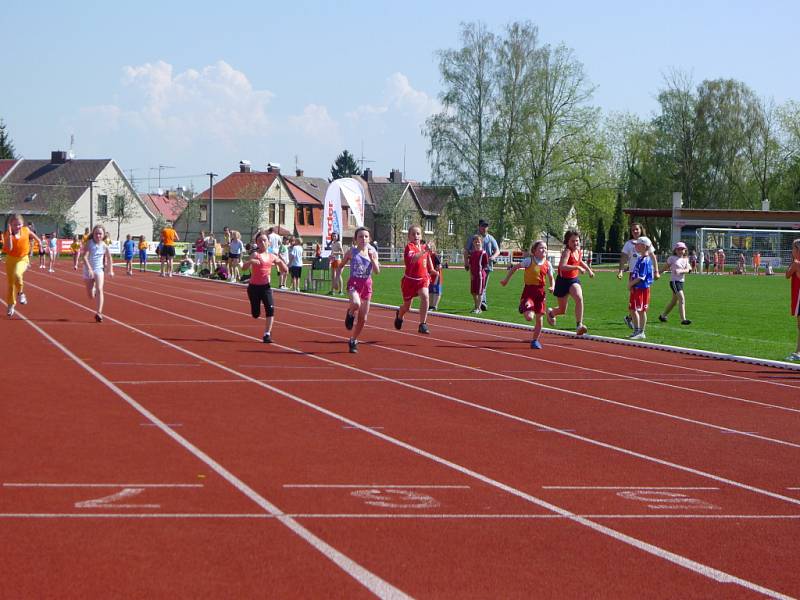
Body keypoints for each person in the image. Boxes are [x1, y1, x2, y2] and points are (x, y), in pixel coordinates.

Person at [500, 240, 555, 349]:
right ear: (534, 251)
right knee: (529, 317)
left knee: (539, 319)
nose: (544, 250)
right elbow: (515, 268)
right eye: (541, 248)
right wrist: (506, 280)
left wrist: (552, 286)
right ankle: (523, 305)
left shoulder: (548, 264)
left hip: (540, 293)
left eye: (545, 248)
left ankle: (535, 341)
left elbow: (551, 278)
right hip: (529, 291)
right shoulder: (529, 261)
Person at [547, 229, 594, 336]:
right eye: (573, 241)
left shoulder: (578, 250)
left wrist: (589, 270)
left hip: (573, 280)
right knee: (562, 310)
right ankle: (551, 312)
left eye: (577, 241)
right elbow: (562, 266)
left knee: (579, 297)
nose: (575, 243)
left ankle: (579, 325)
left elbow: (580, 261)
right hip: (563, 282)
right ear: (567, 242)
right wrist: (577, 267)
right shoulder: (566, 252)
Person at [341, 226, 381, 353]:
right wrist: (337, 277)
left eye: (366, 236)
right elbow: (341, 265)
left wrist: (373, 260)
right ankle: (351, 313)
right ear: (355, 239)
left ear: (369, 239)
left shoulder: (373, 252)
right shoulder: (351, 252)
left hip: (366, 285)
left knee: (363, 319)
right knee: (356, 303)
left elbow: (377, 271)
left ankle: (353, 340)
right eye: (360, 236)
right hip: (354, 283)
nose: (363, 239)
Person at [247, 231, 288, 344]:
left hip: (266, 287)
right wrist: (250, 261)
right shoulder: (255, 255)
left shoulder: (272, 256)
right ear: (257, 243)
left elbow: (284, 268)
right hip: (254, 288)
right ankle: (254, 308)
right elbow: (244, 268)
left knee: (270, 310)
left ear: (269, 243)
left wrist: (282, 265)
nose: (263, 242)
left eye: (264, 240)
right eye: (260, 241)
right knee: (256, 314)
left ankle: (267, 334)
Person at [617, 222, 660, 330]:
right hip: (633, 274)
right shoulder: (628, 244)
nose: (635, 231)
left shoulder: (645, 242)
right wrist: (621, 271)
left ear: (641, 230)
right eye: (633, 230)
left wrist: (656, 271)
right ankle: (635, 325)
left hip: (642, 275)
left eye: (637, 229)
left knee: (639, 302)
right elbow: (624, 258)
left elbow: (653, 256)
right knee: (635, 301)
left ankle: (637, 327)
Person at [395, 226, 434, 334]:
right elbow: (414, 258)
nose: (416, 236)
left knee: (425, 296)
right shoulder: (409, 247)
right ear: (409, 236)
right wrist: (424, 250)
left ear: (421, 235)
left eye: (418, 234)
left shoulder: (424, 247)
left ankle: (423, 324)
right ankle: (400, 314)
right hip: (410, 281)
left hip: (422, 279)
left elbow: (428, 257)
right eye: (413, 234)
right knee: (407, 307)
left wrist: (432, 269)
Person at [3, 214, 43, 317]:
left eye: (19, 224)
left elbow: (36, 238)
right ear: (10, 225)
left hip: (23, 258)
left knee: (17, 273)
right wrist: (10, 234)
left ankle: (21, 293)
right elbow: (10, 248)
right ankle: (11, 305)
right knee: (11, 285)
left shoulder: (26, 230)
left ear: (22, 224)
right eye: (15, 225)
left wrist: (40, 245)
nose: (17, 227)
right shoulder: (7, 234)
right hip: (11, 259)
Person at [463, 219, 500, 311]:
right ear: (479, 226)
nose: (484, 228)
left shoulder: (490, 238)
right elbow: (466, 250)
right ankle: (480, 303)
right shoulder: (473, 238)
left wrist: (493, 257)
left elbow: (497, 250)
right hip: (475, 266)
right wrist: (466, 263)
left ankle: (482, 303)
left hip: (486, 266)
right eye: (483, 226)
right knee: (475, 285)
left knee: (483, 285)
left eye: (486, 226)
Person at [80, 225, 114, 322]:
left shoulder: (104, 245)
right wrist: (90, 269)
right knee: (90, 295)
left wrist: (110, 270)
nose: (98, 235)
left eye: (100, 234)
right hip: (88, 270)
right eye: (96, 233)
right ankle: (92, 288)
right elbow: (85, 257)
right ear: (93, 234)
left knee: (100, 289)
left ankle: (99, 313)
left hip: (99, 269)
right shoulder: (89, 244)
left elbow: (109, 257)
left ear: (103, 235)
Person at [658, 241, 692, 325]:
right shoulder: (672, 258)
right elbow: (665, 268)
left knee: (674, 302)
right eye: (679, 249)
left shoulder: (686, 259)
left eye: (682, 249)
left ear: (685, 250)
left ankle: (662, 316)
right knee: (682, 299)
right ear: (675, 250)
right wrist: (657, 273)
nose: (681, 250)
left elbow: (689, 270)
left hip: (681, 282)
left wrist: (681, 270)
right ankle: (683, 319)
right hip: (674, 282)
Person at [627, 236, 654, 340]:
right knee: (633, 309)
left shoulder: (645, 260)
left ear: (644, 246)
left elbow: (641, 277)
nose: (636, 246)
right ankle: (636, 330)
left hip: (642, 288)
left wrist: (630, 284)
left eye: (638, 244)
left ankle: (641, 331)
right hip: (636, 288)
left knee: (641, 310)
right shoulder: (640, 258)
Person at [786, 239, 800, 361]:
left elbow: (787, 274)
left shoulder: (796, 263)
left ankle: (798, 351)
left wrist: (792, 260)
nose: (792, 251)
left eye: (793, 249)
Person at [467, 235, 489, 314]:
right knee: (473, 292)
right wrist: (471, 274)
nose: (477, 243)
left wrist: (482, 274)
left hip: (480, 276)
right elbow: (470, 265)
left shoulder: (483, 253)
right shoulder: (473, 254)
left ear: (481, 243)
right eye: (475, 242)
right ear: (473, 243)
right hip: (473, 275)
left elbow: (485, 265)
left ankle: (479, 308)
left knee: (479, 292)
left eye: (478, 242)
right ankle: (476, 306)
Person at [428, 246, 443, 311]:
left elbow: (439, 266)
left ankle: (435, 305)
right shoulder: (427, 256)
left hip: (436, 276)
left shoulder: (435, 256)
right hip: (429, 276)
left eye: (431, 249)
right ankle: (430, 305)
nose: (430, 250)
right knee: (430, 291)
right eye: (428, 249)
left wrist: (434, 271)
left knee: (437, 291)